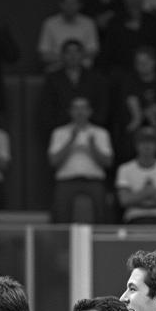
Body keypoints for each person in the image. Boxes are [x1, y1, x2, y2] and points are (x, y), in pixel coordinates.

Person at [48, 95, 113, 223]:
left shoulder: (101, 133)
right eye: (76, 108)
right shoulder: (59, 133)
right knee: (60, 217)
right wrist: (70, 141)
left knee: (102, 214)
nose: (80, 112)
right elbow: (53, 162)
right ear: (70, 111)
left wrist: (93, 146)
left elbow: (108, 162)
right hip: (66, 181)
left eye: (83, 108)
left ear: (90, 111)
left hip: (94, 181)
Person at [115, 124, 156, 224]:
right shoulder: (124, 169)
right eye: (143, 142)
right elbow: (124, 200)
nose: (147, 146)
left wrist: (137, 197)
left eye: (151, 142)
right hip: (133, 218)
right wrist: (149, 192)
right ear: (136, 145)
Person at [37, 0, 100, 72]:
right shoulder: (49, 23)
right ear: (60, 4)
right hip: (57, 70)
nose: (70, 6)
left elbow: (93, 51)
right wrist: (67, 59)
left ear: (80, 4)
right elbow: (44, 55)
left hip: (83, 72)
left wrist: (72, 60)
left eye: (73, 3)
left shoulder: (88, 23)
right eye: (66, 3)